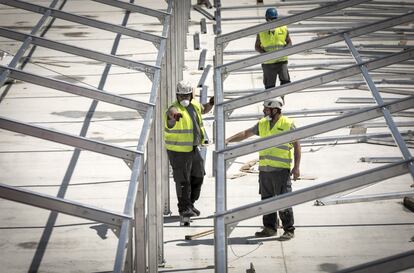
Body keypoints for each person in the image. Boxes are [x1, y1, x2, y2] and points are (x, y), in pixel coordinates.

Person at [225, 97, 301, 240]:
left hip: (281, 170)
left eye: (266, 108)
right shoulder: (263, 124)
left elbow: (297, 145)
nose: (264, 111)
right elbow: (246, 133)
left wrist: (296, 167)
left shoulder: (287, 124)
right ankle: (269, 228)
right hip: (265, 170)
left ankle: (289, 229)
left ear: (275, 109)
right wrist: (228, 140)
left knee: (283, 200)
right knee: (266, 200)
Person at [164, 80, 214, 218]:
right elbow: (171, 113)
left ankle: (190, 203)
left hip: (192, 148)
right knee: (182, 180)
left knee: (198, 175)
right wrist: (174, 116)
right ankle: (184, 208)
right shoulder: (174, 109)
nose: (184, 99)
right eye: (181, 96)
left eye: (186, 96)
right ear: (177, 95)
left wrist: (211, 103)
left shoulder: (195, 105)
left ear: (191, 95)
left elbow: (204, 109)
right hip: (178, 151)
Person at [255, 7, 292, 102]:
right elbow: (257, 46)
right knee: (269, 87)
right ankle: (271, 104)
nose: (272, 21)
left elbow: (289, 42)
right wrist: (265, 54)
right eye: (270, 19)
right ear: (266, 18)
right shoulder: (261, 31)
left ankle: (280, 99)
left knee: (285, 82)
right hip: (268, 63)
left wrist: (284, 51)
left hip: (282, 60)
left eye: (274, 19)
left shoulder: (283, 28)